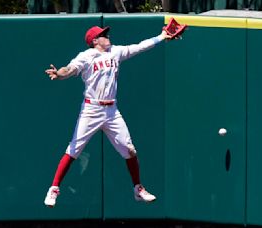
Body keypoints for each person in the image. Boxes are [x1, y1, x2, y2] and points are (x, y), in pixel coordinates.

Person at [43, 25, 175, 207]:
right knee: (73, 149)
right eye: (103, 35)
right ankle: (54, 188)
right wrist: (59, 74)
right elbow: (69, 69)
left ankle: (138, 188)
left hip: (112, 111)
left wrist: (161, 36)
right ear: (94, 41)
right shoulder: (86, 56)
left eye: (106, 33)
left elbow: (140, 46)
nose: (107, 36)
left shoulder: (116, 52)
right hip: (91, 110)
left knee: (129, 150)